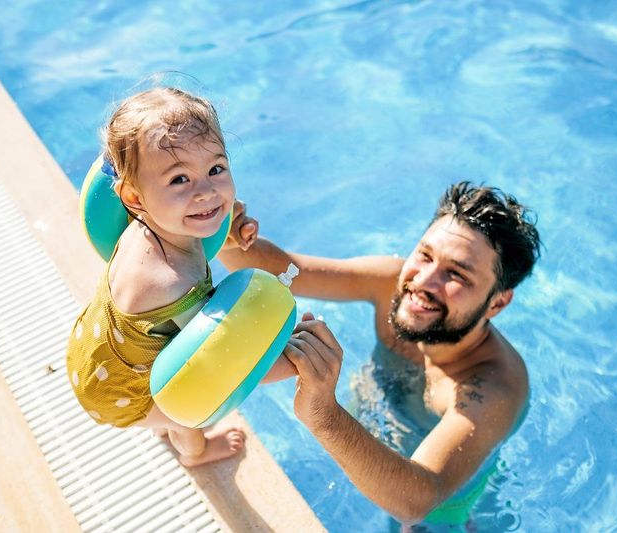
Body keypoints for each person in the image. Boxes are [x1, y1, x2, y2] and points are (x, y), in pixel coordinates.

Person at [219, 182, 541, 525]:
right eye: (425, 255)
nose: (423, 282)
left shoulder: (493, 387)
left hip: (442, 507)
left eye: (456, 274)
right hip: (371, 432)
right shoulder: (391, 282)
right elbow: (281, 268)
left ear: (498, 302)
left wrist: (322, 413)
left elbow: (419, 500)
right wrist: (225, 233)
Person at [66, 87, 293, 467]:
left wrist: (231, 232)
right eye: (179, 180)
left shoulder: (141, 223)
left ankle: (162, 421)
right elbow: (218, 362)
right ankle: (194, 455)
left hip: (92, 353)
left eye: (216, 170)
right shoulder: (171, 283)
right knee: (185, 415)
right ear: (135, 197)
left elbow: (199, 228)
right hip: (120, 393)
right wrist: (294, 358)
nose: (206, 193)